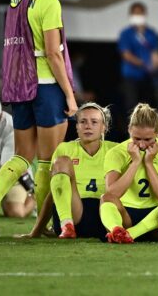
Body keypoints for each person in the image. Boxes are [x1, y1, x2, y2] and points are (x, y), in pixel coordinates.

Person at [0, 0, 77, 238]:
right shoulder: (49, 1)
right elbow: (53, 53)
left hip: (19, 85)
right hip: (47, 86)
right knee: (47, 160)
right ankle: (42, 226)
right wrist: (71, 95)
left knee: (22, 155)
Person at [20, 102, 118, 239]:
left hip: (106, 216)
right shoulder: (65, 148)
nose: (88, 126)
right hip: (75, 213)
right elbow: (54, 192)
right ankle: (67, 225)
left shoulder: (115, 150)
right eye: (83, 122)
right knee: (62, 161)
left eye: (94, 122)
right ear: (77, 126)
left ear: (104, 127)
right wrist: (36, 232)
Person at [99, 103, 158, 243]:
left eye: (147, 140)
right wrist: (134, 163)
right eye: (136, 139)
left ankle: (130, 234)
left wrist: (148, 163)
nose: (141, 145)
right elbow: (113, 193)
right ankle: (117, 231)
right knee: (106, 198)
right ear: (129, 130)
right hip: (127, 215)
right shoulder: (116, 153)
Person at [118, 2, 158, 115]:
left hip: (148, 76)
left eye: (140, 13)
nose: (138, 16)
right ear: (130, 15)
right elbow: (126, 54)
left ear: (145, 14)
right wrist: (144, 64)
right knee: (131, 107)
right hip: (131, 76)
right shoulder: (126, 33)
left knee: (148, 107)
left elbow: (155, 52)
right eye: (135, 13)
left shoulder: (151, 33)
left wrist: (154, 64)